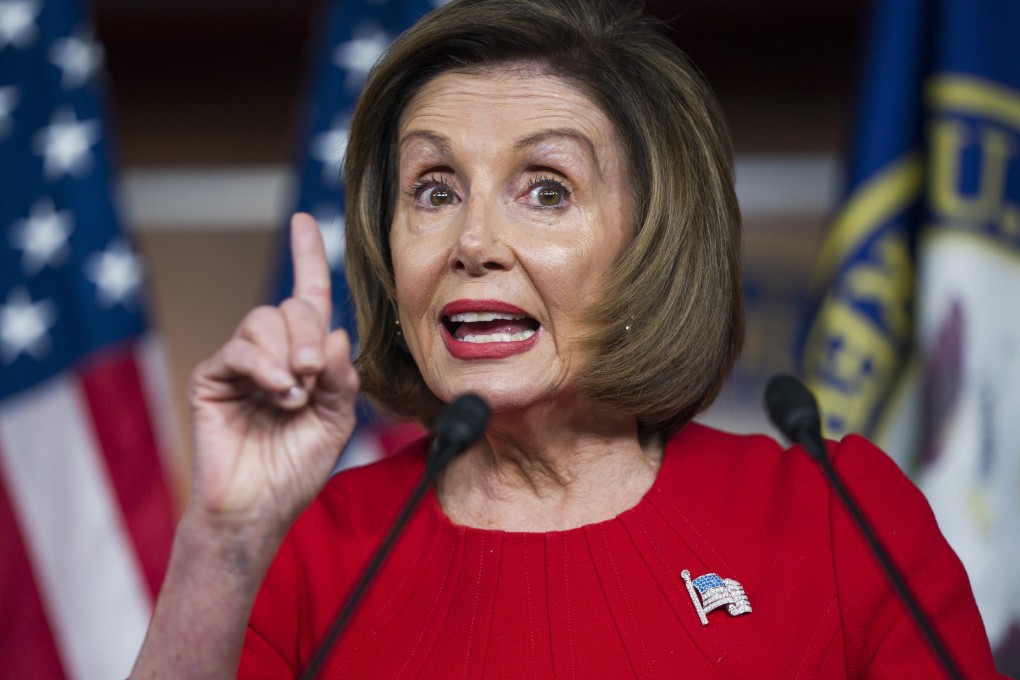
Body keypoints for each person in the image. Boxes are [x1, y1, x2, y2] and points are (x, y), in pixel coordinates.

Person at [132, 0, 1006, 677]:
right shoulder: (307, 560)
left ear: (651, 241)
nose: (472, 242)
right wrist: (226, 538)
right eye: (433, 190)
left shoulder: (835, 520)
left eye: (545, 189)